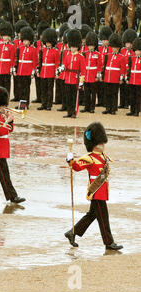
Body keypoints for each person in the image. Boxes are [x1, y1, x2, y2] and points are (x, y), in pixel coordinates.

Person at [65, 122, 123, 251]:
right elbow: (76, 167)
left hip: (102, 191)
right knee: (103, 218)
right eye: (99, 143)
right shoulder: (89, 158)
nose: (102, 145)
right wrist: (70, 160)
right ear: (94, 145)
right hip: (96, 192)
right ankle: (109, 242)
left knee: (92, 215)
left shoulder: (104, 157)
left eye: (102, 143)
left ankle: (72, 232)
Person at [61, 29, 85, 118]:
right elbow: (65, 65)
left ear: (77, 47)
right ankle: (69, 112)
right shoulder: (67, 56)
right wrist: (61, 69)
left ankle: (74, 112)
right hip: (68, 78)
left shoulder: (81, 57)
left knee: (75, 97)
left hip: (75, 79)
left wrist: (81, 82)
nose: (72, 48)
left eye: (74, 47)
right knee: (68, 97)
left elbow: (83, 71)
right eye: (71, 47)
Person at [102, 33, 126, 115]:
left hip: (115, 78)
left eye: (115, 47)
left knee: (114, 94)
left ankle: (113, 109)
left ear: (118, 48)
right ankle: (108, 108)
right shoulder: (108, 55)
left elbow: (123, 69)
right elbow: (105, 67)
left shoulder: (122, 57)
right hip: (107, 77)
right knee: (107, 93)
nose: (113, 49)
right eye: (112, 47)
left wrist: (121, 78)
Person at [14, 26, 37, 105]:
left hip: (27, 72)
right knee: (20, 88)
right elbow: (17, 60)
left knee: (26, 89)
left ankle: (26, 103)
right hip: (20, 71)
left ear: (30, 41)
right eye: (23, 40)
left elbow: (34, 61)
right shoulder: (20, 48)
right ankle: (21, 103)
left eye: (26, 40)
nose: (24, 42)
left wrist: (33, 72)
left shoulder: (33, 49)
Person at [37, 28, 59, 111]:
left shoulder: (55, 51)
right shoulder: (43, 50)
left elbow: (57, 63)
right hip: (43, 72)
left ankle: (49, 104)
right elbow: (41, 62)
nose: (47, 44)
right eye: (46, 42)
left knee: (50, 90)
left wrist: (56, 73)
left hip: (50, 72)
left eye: (49, 42)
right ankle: (43, 103)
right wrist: (39, 70)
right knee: (43, 89)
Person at [80, 32, 102, 114]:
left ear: (95, 45)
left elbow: (99, 66)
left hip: (93, 76)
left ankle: (92, 108)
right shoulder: (85, 54)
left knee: (93, 93)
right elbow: (82, 65)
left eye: (92, 45)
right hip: (86, 76)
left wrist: (97, 76)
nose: (90, 47)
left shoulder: (97, 54)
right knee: (86, 93)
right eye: (89, 45)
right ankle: (86, 107)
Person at [0, 21, 14, 93]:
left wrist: (12, 68)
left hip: (7, 68)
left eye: (6, 36)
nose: (4, 37)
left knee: (6, 85)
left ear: (9, 36)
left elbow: (12, 58)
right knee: (0, 85)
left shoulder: (11, 46)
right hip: (0, 68)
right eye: (4, 35)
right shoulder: (0, 46)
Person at [126, 37, 141, 117]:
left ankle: (137, 111)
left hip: (139, 81)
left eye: (139, 51)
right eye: (136, 50)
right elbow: (129, 69)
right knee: (131, 96)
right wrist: (128, 78)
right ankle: (132, 110)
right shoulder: (132, 58)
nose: (137, 52)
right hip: (132, 80)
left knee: (138, 97)